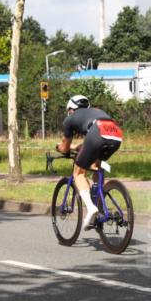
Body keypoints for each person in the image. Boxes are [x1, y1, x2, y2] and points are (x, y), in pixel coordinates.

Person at [55, 95, 124, 229]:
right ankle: (99, 204)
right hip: (115, 134)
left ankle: (92, 209)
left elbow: (65, 147)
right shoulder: (95, 112)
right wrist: (76, 147)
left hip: (97, 134)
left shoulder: (69, 119)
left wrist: (59, 147)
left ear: (71, 109)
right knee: (96, 166)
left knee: (79, 173)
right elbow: (88, 144)